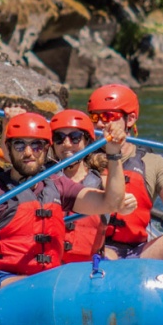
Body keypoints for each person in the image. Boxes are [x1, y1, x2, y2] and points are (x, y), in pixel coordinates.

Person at [0, 112, 127, 315]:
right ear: (8, 149)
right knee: (43, 291)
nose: (29, 152)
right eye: (20, 145)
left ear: (47, 149)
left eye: (36, 146)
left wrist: (114, 153)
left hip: (45, 286)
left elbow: (111, 202)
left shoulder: (58, 186)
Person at [87, 84, 163, 266]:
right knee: (107, 257)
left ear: (130, 119)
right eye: (94, 117)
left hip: (139, 251)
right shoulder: (80, 159)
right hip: (98, 248)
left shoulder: (152, 162)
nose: (99, 124)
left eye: (108, 116)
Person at [48, 109, 125, 264]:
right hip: (50, 269)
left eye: (75, 138)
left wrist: (113, 151)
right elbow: (12, 157)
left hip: (90, 268)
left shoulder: (102, 183)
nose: (67, 144)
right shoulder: (43, 179)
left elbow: (117, 201)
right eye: (59, 138)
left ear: (88, 142)